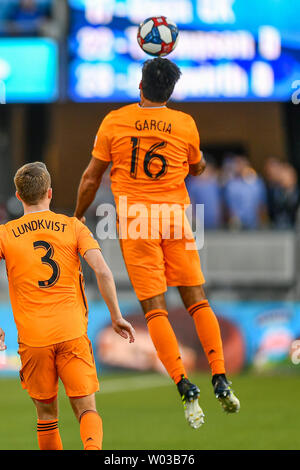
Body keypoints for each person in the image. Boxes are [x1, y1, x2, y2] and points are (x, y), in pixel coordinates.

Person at [74, 57, 240, 429]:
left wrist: (79, 214)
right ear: (172, 90)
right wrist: (192, 167)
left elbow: (90, 177)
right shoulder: (185, 124)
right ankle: (219, 376)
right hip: (176, 219)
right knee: (197, 301)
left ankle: (184, 386)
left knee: (155, 310)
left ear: (140, 85)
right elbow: (196, 166)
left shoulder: (115, 120)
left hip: (136, 222)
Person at [0, 162, 135, 450]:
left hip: (34, 339)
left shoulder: (5, 234)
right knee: (87, 409)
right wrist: (116, 316)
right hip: (71, 331)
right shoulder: (73, 226)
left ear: (19, 195)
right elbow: (102, 271)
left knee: (46, 416)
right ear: (50, 192)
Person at [222, 155, 267, 230]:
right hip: (236, 224)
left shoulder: (257, 182)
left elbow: (262, 204)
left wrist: (263, 221)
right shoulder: (230, 184)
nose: (240, 166)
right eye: (237, 164)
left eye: (242, 163)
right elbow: (227, 206)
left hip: (255, 223)